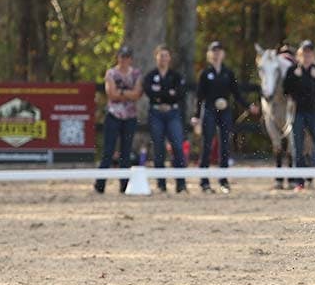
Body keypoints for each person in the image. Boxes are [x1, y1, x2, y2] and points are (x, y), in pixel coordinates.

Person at [191, 41, 259, 193]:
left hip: (224, 111)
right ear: (210, 54)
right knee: (207, 144)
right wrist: (196, 115)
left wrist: (248, 106)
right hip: (209, 110)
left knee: (225, 145)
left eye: (219, 51)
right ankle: (204, 181)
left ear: (223, 54)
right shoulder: (205, 73)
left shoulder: (228, 73)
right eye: (214, 51)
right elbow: (199, 97)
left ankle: (223, 180)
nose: (216, 53)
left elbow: (236, 93)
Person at [283, 40, 315, 190]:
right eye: (304, 53)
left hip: (313, 112)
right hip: (297, 112)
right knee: (297, 147)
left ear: (313, 55)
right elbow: (285, 90)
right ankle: (299, 182)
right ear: (299, 55)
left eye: (309, 54)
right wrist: (294, 78)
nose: (307, 56)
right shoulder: (292, 70)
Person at [95, 45, 143, 194]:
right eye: (122, 57)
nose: (124, 60)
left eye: (127, 57)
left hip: (130, 117)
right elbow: (112, 94)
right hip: (113, 115)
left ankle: (124, 185)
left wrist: (121, 92)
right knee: (108, 151)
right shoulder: (111, 73)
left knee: (126, 151)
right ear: (118, 58)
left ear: (131, 59)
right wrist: (127, 93)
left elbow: (137, 94)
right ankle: (100, 184)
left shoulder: (136, 73)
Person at [143, 44, 188, 193]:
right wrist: (169, 93)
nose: (163, 58)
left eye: (166, 55)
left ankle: (181, 184)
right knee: (158, 147)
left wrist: (161, 95)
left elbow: (180, 94)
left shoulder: (176, 76)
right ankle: (161, 184)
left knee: (177, 146)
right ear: (156, 57)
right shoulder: (150, 76)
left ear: (170, 58)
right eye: (160, 55)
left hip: (173, 113)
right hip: (156, 113)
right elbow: (149, 92)